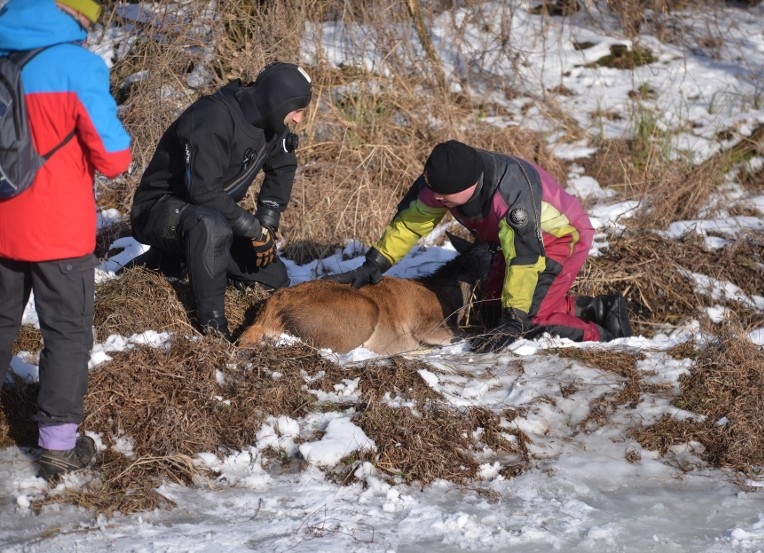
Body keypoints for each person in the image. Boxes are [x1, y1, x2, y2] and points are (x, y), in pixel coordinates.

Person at [325, 140, 632, 352]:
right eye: (434, 194)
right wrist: (374, 264)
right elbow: (411, 222)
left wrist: (515, 321)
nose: (437, 202)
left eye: (445, 198)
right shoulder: (440, 182)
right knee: (492, 313)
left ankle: (604, 339)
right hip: (509, 240)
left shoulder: (511, 198)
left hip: (556, 238)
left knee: (528, 324)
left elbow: (524, 262)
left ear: (471, 185)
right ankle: (599, 308)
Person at [0, 0, 132, 479]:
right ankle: (57, 447)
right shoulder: (78, 66)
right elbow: (115, 157)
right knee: (67, 334)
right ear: (77, 14)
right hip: (57, 230)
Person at [130, 62, 312, 340]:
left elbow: (283, 167)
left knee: (273, 277)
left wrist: (267, 222)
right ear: (277, 101)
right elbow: (202, 193)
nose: (298, 119)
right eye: (297, 111)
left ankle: (170, 260)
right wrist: (250, 227)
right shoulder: (213, 116)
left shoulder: (271, 124)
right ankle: (213, 329)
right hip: (159, 209)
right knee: (211, 226)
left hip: (210, 215)